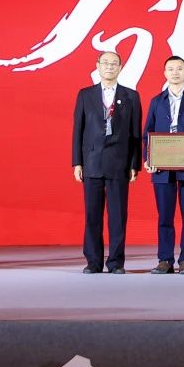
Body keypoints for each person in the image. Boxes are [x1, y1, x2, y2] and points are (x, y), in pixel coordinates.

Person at [71, 51, 142, 274]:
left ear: (120, 67)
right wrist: (77, 162)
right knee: (92, 215)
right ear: (98, 66)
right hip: (92, 162)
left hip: (119, 163)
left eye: (114, 63)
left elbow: (135, 133)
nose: (109, 67)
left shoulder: (131, 96)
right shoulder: (85, 95)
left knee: (118, 216)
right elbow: (78, 130)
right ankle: (93, 261)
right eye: (105, 63)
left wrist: (134, 164)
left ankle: (116, 262)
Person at [143, 55, 184, 274]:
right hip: (162, 168)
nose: (175, 72)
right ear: (165, 73)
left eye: (179, 68)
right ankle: (165, 259)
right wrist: (148, 159)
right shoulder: (156, 101)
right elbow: (147, 134)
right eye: (170, 69)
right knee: (165, 215)